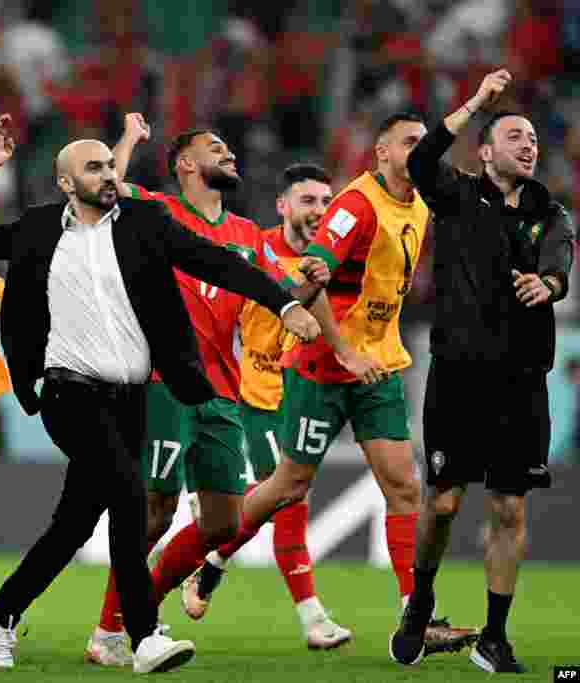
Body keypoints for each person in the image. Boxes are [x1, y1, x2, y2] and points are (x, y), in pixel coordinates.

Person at [0, 114, 322, 674]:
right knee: (129, 496)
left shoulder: (146, 222)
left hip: (130, 397)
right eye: (92, 166)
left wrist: (285, 303)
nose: (105, 173)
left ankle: (0, 616)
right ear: (66, 183)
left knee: (73, 524)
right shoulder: (39, 227)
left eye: (108, 163)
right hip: (67, 393)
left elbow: (217, 262)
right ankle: (143, 636)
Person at [185, 112, 477, 657]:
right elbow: (311, 274)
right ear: (382, 154)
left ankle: (418, 616)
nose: (421, 151)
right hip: (319, 368)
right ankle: (208, 551)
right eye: (409, 143)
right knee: (289, 488)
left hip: (379, 367)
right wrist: (343, 348)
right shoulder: (356, 206)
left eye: (424, 143)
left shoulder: (417, 202)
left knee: (405, 488)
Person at [81, 117, 332, 668]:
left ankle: (144, 605)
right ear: (187, 164)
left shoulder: (246, 234)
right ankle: (109, 632)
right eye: (215, 147)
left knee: (224, 519)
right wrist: (127, 141)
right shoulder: (157, 211)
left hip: (222, 392)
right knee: (154, 510)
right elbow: (103, 185)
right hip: (162, 382)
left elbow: (278, 290)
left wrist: (310, 284)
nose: (230, 153)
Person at [391, 69, 575, 673]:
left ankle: (494, 638)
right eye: (515, 136)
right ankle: (419, 602)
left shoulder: (550, 212)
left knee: (509, 508)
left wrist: (547, 284)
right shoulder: (457, 194)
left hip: (521, 379)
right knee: (441, 503)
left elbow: (560, 262)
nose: (530, 145)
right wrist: (475, 103)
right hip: (458, 376)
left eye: (534, 139)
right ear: (487, 150)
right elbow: (420, 159)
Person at [177, 163, 350, 649]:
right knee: (289, 502)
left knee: (274, 502)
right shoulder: (254, 249)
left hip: (309, 396)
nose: (318, 211)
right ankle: (314, 619)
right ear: (283, 206)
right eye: (307, 200)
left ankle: (208, 563)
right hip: (262, 397)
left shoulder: (333, 257)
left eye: (324, 201)